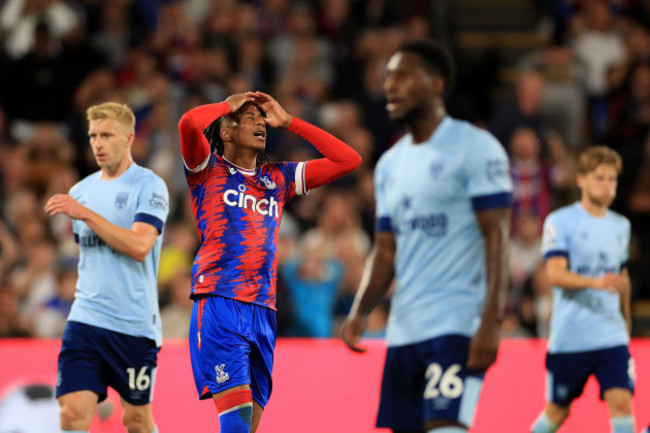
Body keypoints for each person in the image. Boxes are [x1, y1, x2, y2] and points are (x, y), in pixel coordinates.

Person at [341, 39, 512, 433]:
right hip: (404, 330)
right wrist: (360, 310)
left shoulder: (475, 147)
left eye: (403, 75)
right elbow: (385, 251)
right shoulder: (389, 165)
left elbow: (497, 237)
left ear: (436, 84)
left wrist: (491, 321)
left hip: (457, 323)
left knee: (445, 427)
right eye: (387, 76)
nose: (390, 85)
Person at [178, 91, 361, 433]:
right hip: (221, 301)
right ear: (227, 132)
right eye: (248, 118)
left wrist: (291, 121)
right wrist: (225, 105)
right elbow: (188, 123)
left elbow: (347, 160)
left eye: (261, 119)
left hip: (264, 310)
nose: (260, 123)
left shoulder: (277, 180)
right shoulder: (207, 170)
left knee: (247, 428)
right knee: (236, 421)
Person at [44, 102, 169, 433]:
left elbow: (140, 246)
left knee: (136, 420)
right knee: (71, 415)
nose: (98, 144)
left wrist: (85, 214)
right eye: (93, 136)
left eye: (106, 136)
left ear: (129, 138)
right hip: (86, 318)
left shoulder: (149, 186)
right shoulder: (80, 191)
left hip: (133, 324)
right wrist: (82, 211)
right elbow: (92, 253)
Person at [531, 146, 635, 433]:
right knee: (557, 412)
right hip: (571, 336)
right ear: (581, 180)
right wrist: (595, 282)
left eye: (613, 179)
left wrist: (625, 321)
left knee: (622, 402)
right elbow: (554, 274)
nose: (608, 186)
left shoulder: (621, 226)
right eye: (600, 178)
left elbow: (621, 277)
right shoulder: (560, 221)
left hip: (610, 334)